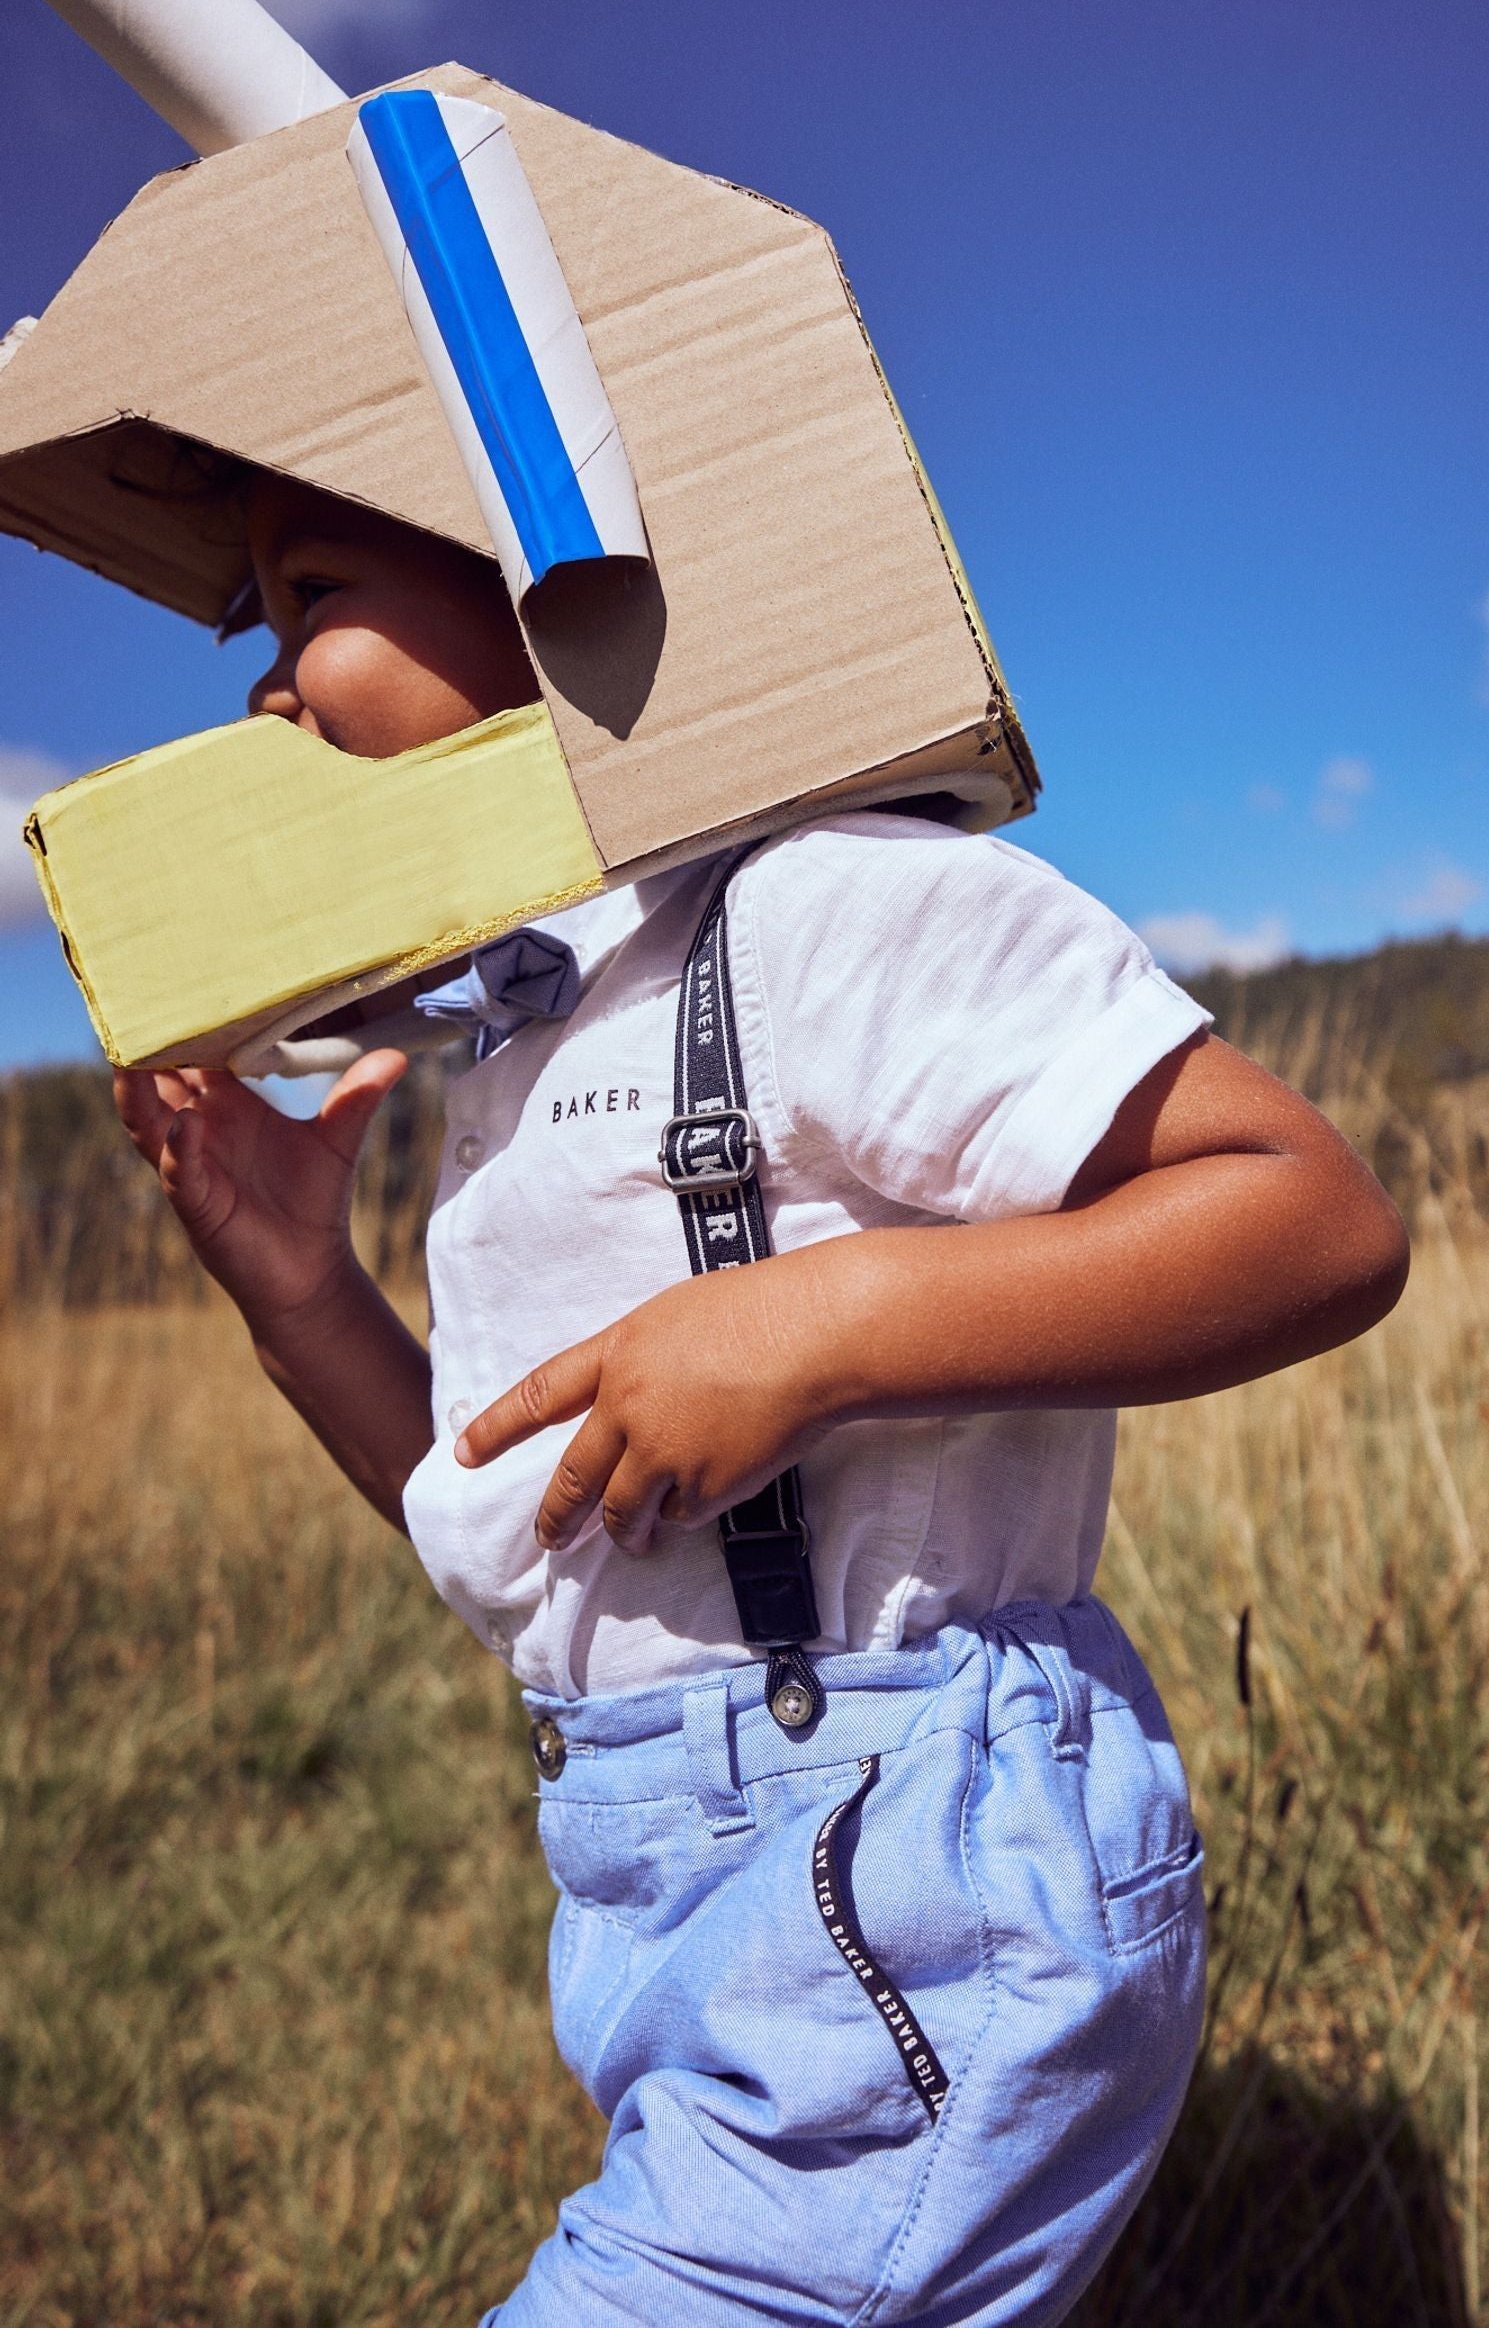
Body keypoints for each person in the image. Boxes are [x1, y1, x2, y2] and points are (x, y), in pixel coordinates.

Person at [116, 471, 1410, 2328]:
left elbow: (1316, 1217)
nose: (271, 691)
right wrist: (305, 1292)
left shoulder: (828, 906)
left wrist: (826, 1324)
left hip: (901, 1893)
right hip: (674, 1906)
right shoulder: (519, 1047)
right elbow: (537, 1537)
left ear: (570, 593)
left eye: (313, 584)